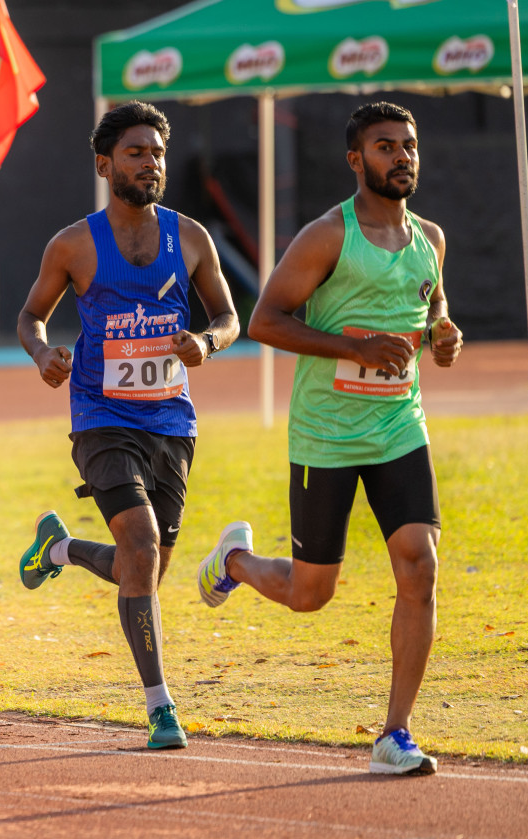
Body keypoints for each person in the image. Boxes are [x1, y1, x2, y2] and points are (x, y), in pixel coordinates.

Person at [196, 101, 461, 776]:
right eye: (384, 146)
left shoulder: (431, 236)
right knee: (313, 593)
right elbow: (265, 320)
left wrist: (441, 336)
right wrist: (354, 343)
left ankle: (394, 734)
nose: (401, 156)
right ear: (356, 160)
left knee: (420, 562)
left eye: (408, 146)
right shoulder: (326, 237)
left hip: (400, 425)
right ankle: (237, 564)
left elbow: (430, 311)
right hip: (326, 435)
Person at [16, 100, 239, 751]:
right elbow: (31, 316)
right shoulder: (74, 244)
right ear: (104, 163)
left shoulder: (190, 236)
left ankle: (57, 549)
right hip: (102, 416)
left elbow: (230, 317)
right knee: (140, 550)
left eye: (158, 154)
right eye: (137, 152)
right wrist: (42, 352)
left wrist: (208, 341)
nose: (150, 164)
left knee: (144, 572)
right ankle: (161, 707)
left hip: (172, 421)